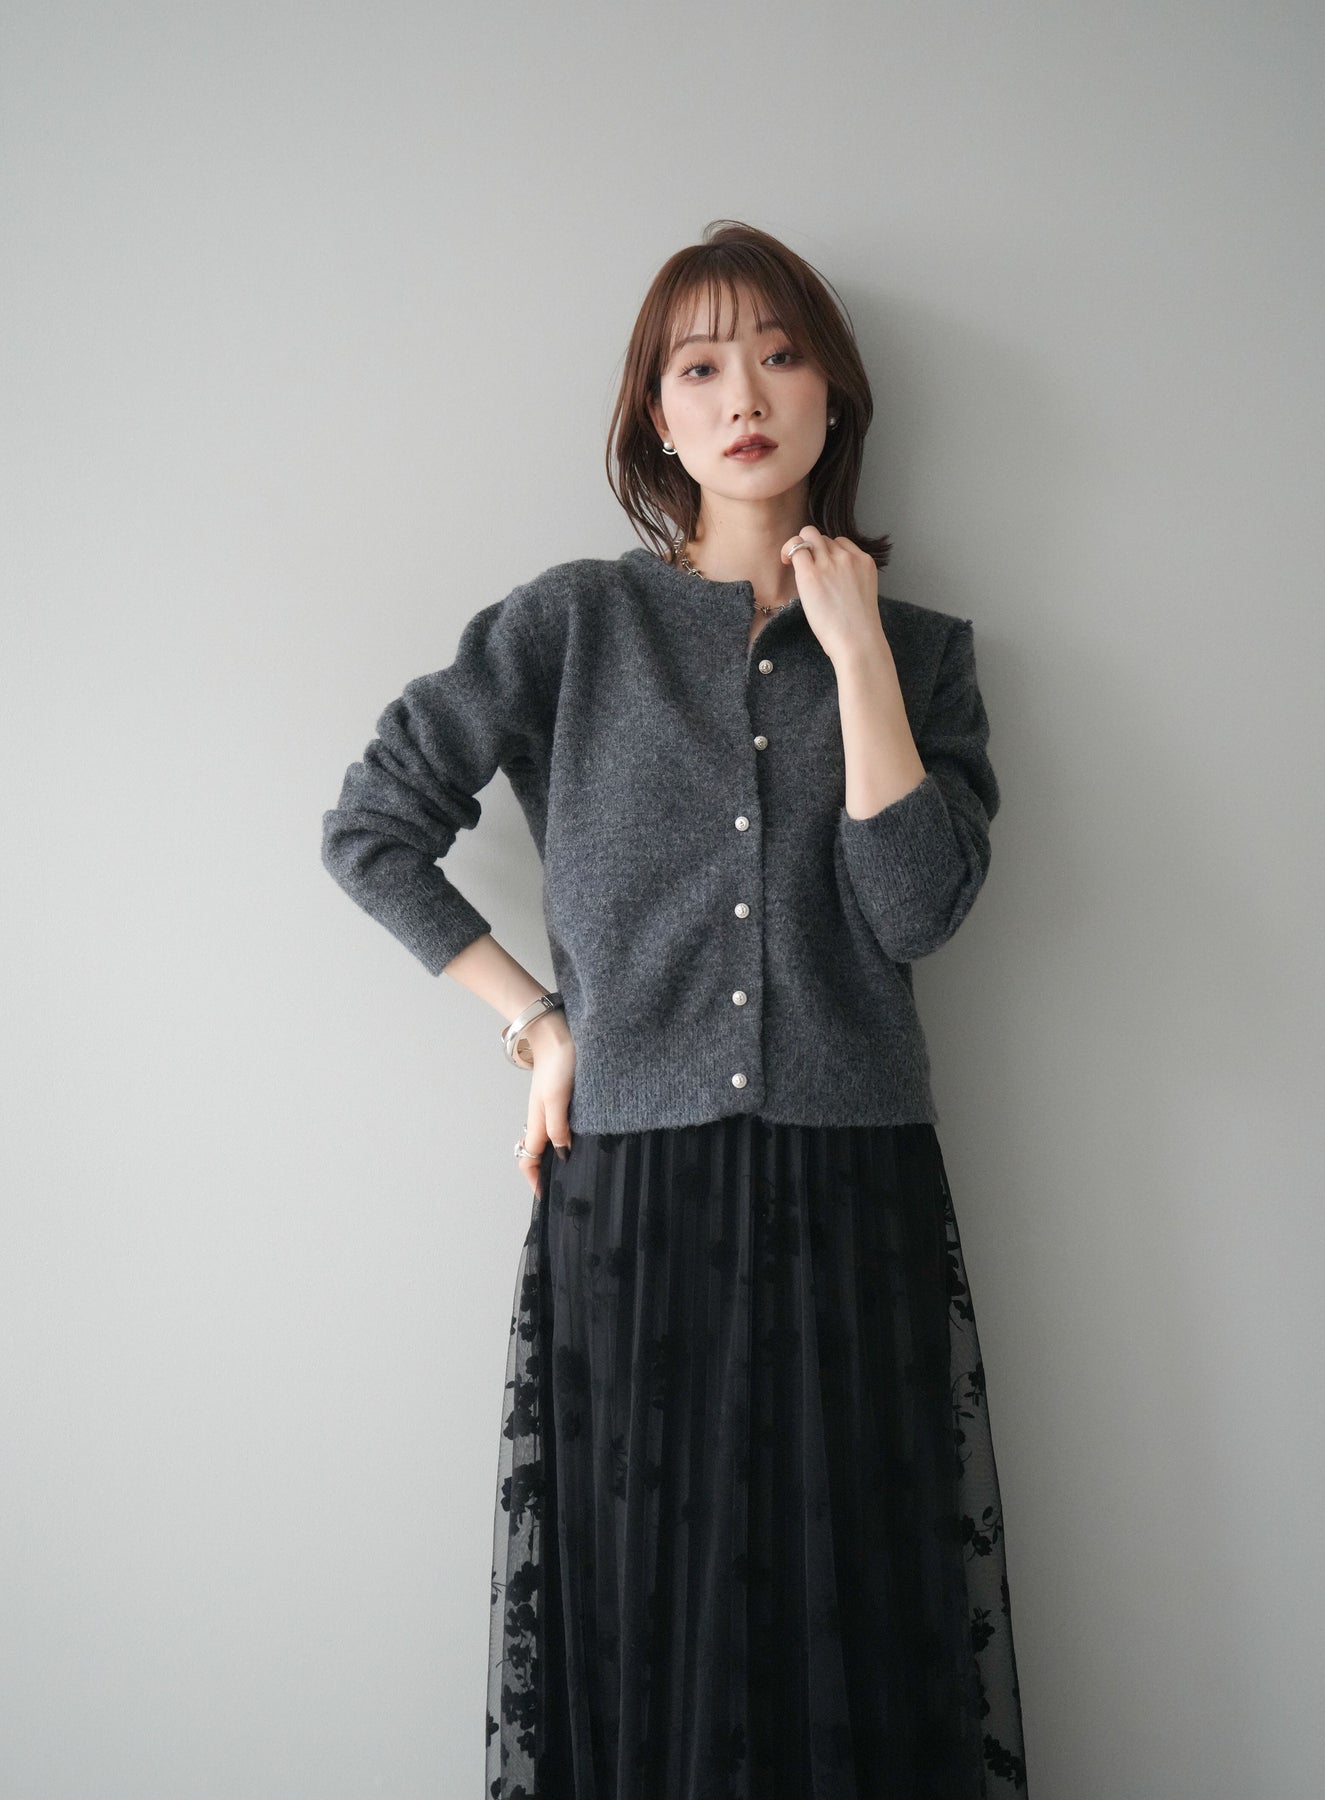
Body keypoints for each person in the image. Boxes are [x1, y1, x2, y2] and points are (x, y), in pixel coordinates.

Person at [321, 219, 1029, 1798]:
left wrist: (856, 654)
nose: (743, 396)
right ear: (656, 415)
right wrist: (536, 1024)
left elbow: (916, 911)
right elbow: (372, 827)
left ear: (834, 396)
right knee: (650, 1617)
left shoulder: (922, 655)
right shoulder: (574, 625)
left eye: (777, 356)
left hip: (852, 1199)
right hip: (638, 1202)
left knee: (856, 1623)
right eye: (698, 368)